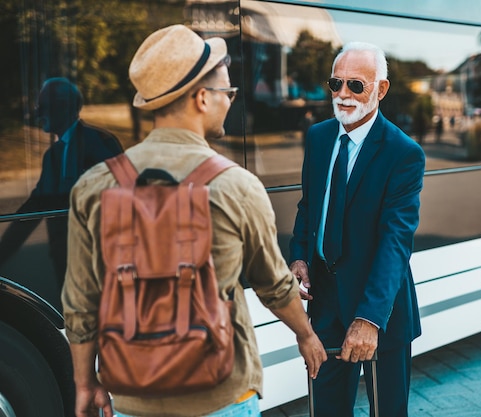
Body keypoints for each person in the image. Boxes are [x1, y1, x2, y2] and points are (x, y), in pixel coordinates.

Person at [61, 25, 326, 417]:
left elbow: (80, 303)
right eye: (228, 93)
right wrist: (306, 336)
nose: (231, 101)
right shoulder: (236, 185)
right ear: (202, 98)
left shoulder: (92, 187)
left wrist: (84, 384)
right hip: (221, 393)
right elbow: (273, 284)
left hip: (133, 398)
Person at [289, 42, 426, 417]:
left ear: (381, 90)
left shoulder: (404, 153)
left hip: (380, 310)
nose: (343, 95)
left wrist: (369, 319)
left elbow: (395, 242)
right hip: (325, 304)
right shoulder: (318, 138)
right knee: (326, 410)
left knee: (386, 412)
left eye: (356, 85)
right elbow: (308, 208)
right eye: (336, 84)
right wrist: (299, 255)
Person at [0, 77, 122, 290]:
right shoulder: (52, 156)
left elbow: (122, 193)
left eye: (43, 106)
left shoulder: (99, 142)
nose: (37, 113)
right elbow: (35, 207)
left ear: (64, 106)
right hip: (64, 261)